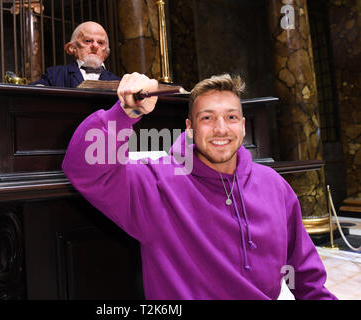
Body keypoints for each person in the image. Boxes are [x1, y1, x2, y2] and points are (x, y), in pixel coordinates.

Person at [62, 72, 337, 300]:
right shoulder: (157, 183)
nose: (221, 128)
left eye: (231, 117)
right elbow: (84, 168)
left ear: (242, 126)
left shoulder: (274, 184)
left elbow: (306, 277)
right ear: (190, 127)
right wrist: (126, 112)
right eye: (207, 118)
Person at [31, 21, 120, 88]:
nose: (95, 46)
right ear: (72, 48)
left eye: (100, 43)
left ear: (106, 53)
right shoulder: (54, 75)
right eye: (88, 41)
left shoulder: (120, 83)